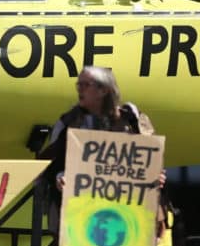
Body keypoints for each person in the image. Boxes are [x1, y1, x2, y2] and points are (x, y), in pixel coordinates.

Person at [37, 66, 158, 236]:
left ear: (104, 90)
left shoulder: (132, 122)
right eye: (78, 84)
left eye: (86, 85)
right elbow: (47, 164)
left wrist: (156, 177)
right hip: (81, 222)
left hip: (123, 221)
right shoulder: (70, 122)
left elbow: (149, 165)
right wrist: (60, 177)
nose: (79, 89)